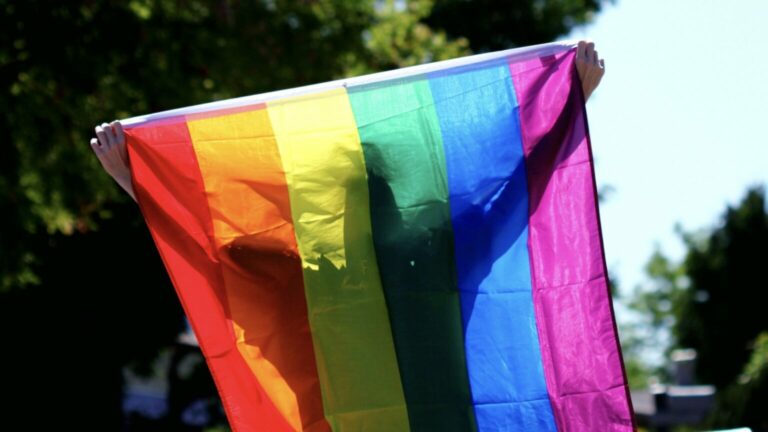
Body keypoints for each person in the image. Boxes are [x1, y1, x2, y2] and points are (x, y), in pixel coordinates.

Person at [90, 40, 604, 203]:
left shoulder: (437, 238)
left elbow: (517, 194)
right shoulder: (313, 257)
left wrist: (574, 100)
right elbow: (210, 244)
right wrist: (129, 176)